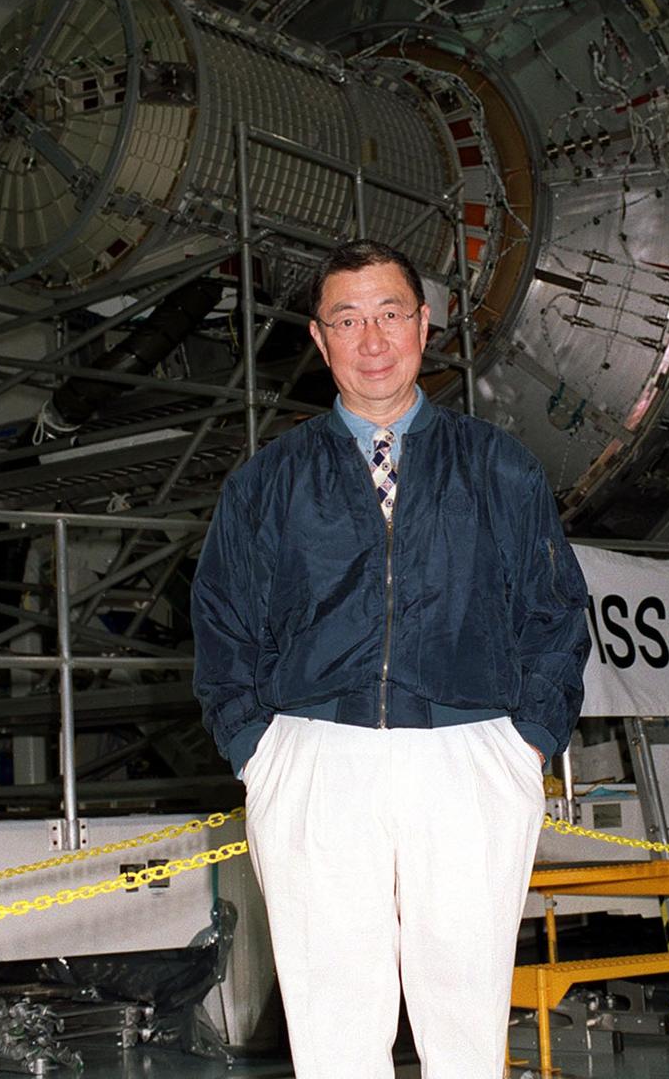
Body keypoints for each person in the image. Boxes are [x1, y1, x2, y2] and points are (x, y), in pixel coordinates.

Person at [192, 240, 590, 1079]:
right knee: (332, 1013)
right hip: (313, 755)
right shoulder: (268, 483)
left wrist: (528, 744)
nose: (372, 340)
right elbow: (224, 624)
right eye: (348, 319)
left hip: (471, 752)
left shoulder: (499, 467)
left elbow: (555, 614)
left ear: (424, 324)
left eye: (389, 315)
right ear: (319, 338)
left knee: (465, 1010)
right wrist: (257, 752)